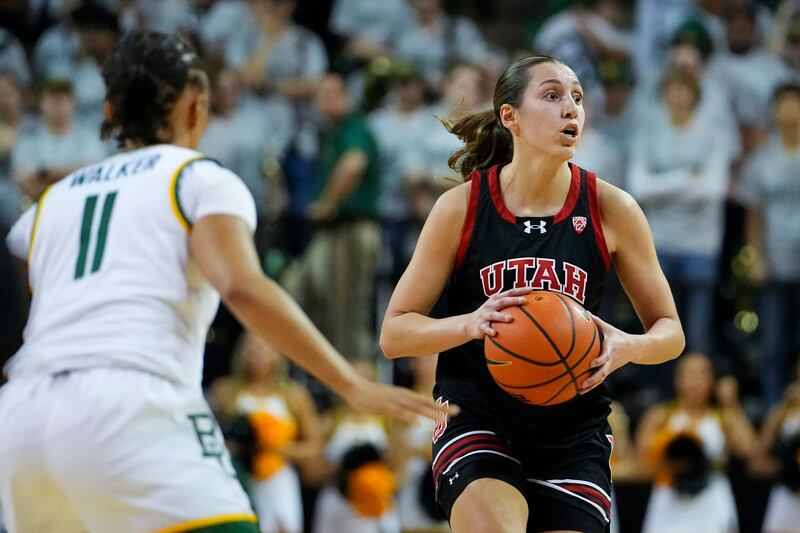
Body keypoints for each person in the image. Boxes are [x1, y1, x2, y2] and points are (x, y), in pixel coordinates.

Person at [0, 31, 454, 533]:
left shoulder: (49, 203)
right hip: (129, 400)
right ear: (197, 106)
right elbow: (241, 288)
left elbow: (16, 314)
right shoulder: (195, 177)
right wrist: (350, 383)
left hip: (22, 416)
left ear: (109, 110)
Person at [380, 55, 685, 533]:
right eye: (552, 95)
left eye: (577, 98)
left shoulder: (612, 208)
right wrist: (469, 324)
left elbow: (671, 332)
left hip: (573, 434)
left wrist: (629, 346)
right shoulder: (461, 208)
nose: (571, 108)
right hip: (476, 418)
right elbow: (394, 334)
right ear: (511, 117)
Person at [211, 334, 322, 533]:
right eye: (253, 347)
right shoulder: (224, 391)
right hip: (238, 476)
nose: (259, 353)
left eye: (266, 347)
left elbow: (314, 445)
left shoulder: (294, 395)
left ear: (278, 354)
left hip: (279, 480)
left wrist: (275, 446)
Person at [635, 353, 756, 533]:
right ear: (676, 379)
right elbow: (640, 466)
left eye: (702, 374)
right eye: (689, 374)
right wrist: (675, 463)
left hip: (712, 498)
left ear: (713, 380)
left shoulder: (722, 416)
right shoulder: (660, 416)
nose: (695, 381)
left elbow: (749, 450)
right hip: (669, 499)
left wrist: (731, 404)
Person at [739, 82, 800, 407]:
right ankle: (773, 407)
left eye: (795, 103)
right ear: (774, 111)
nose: (790, 110)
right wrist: (756, 258)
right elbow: (754, 215)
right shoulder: (762, 159)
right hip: (775, 261)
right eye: (784, 104)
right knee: (773, 344)